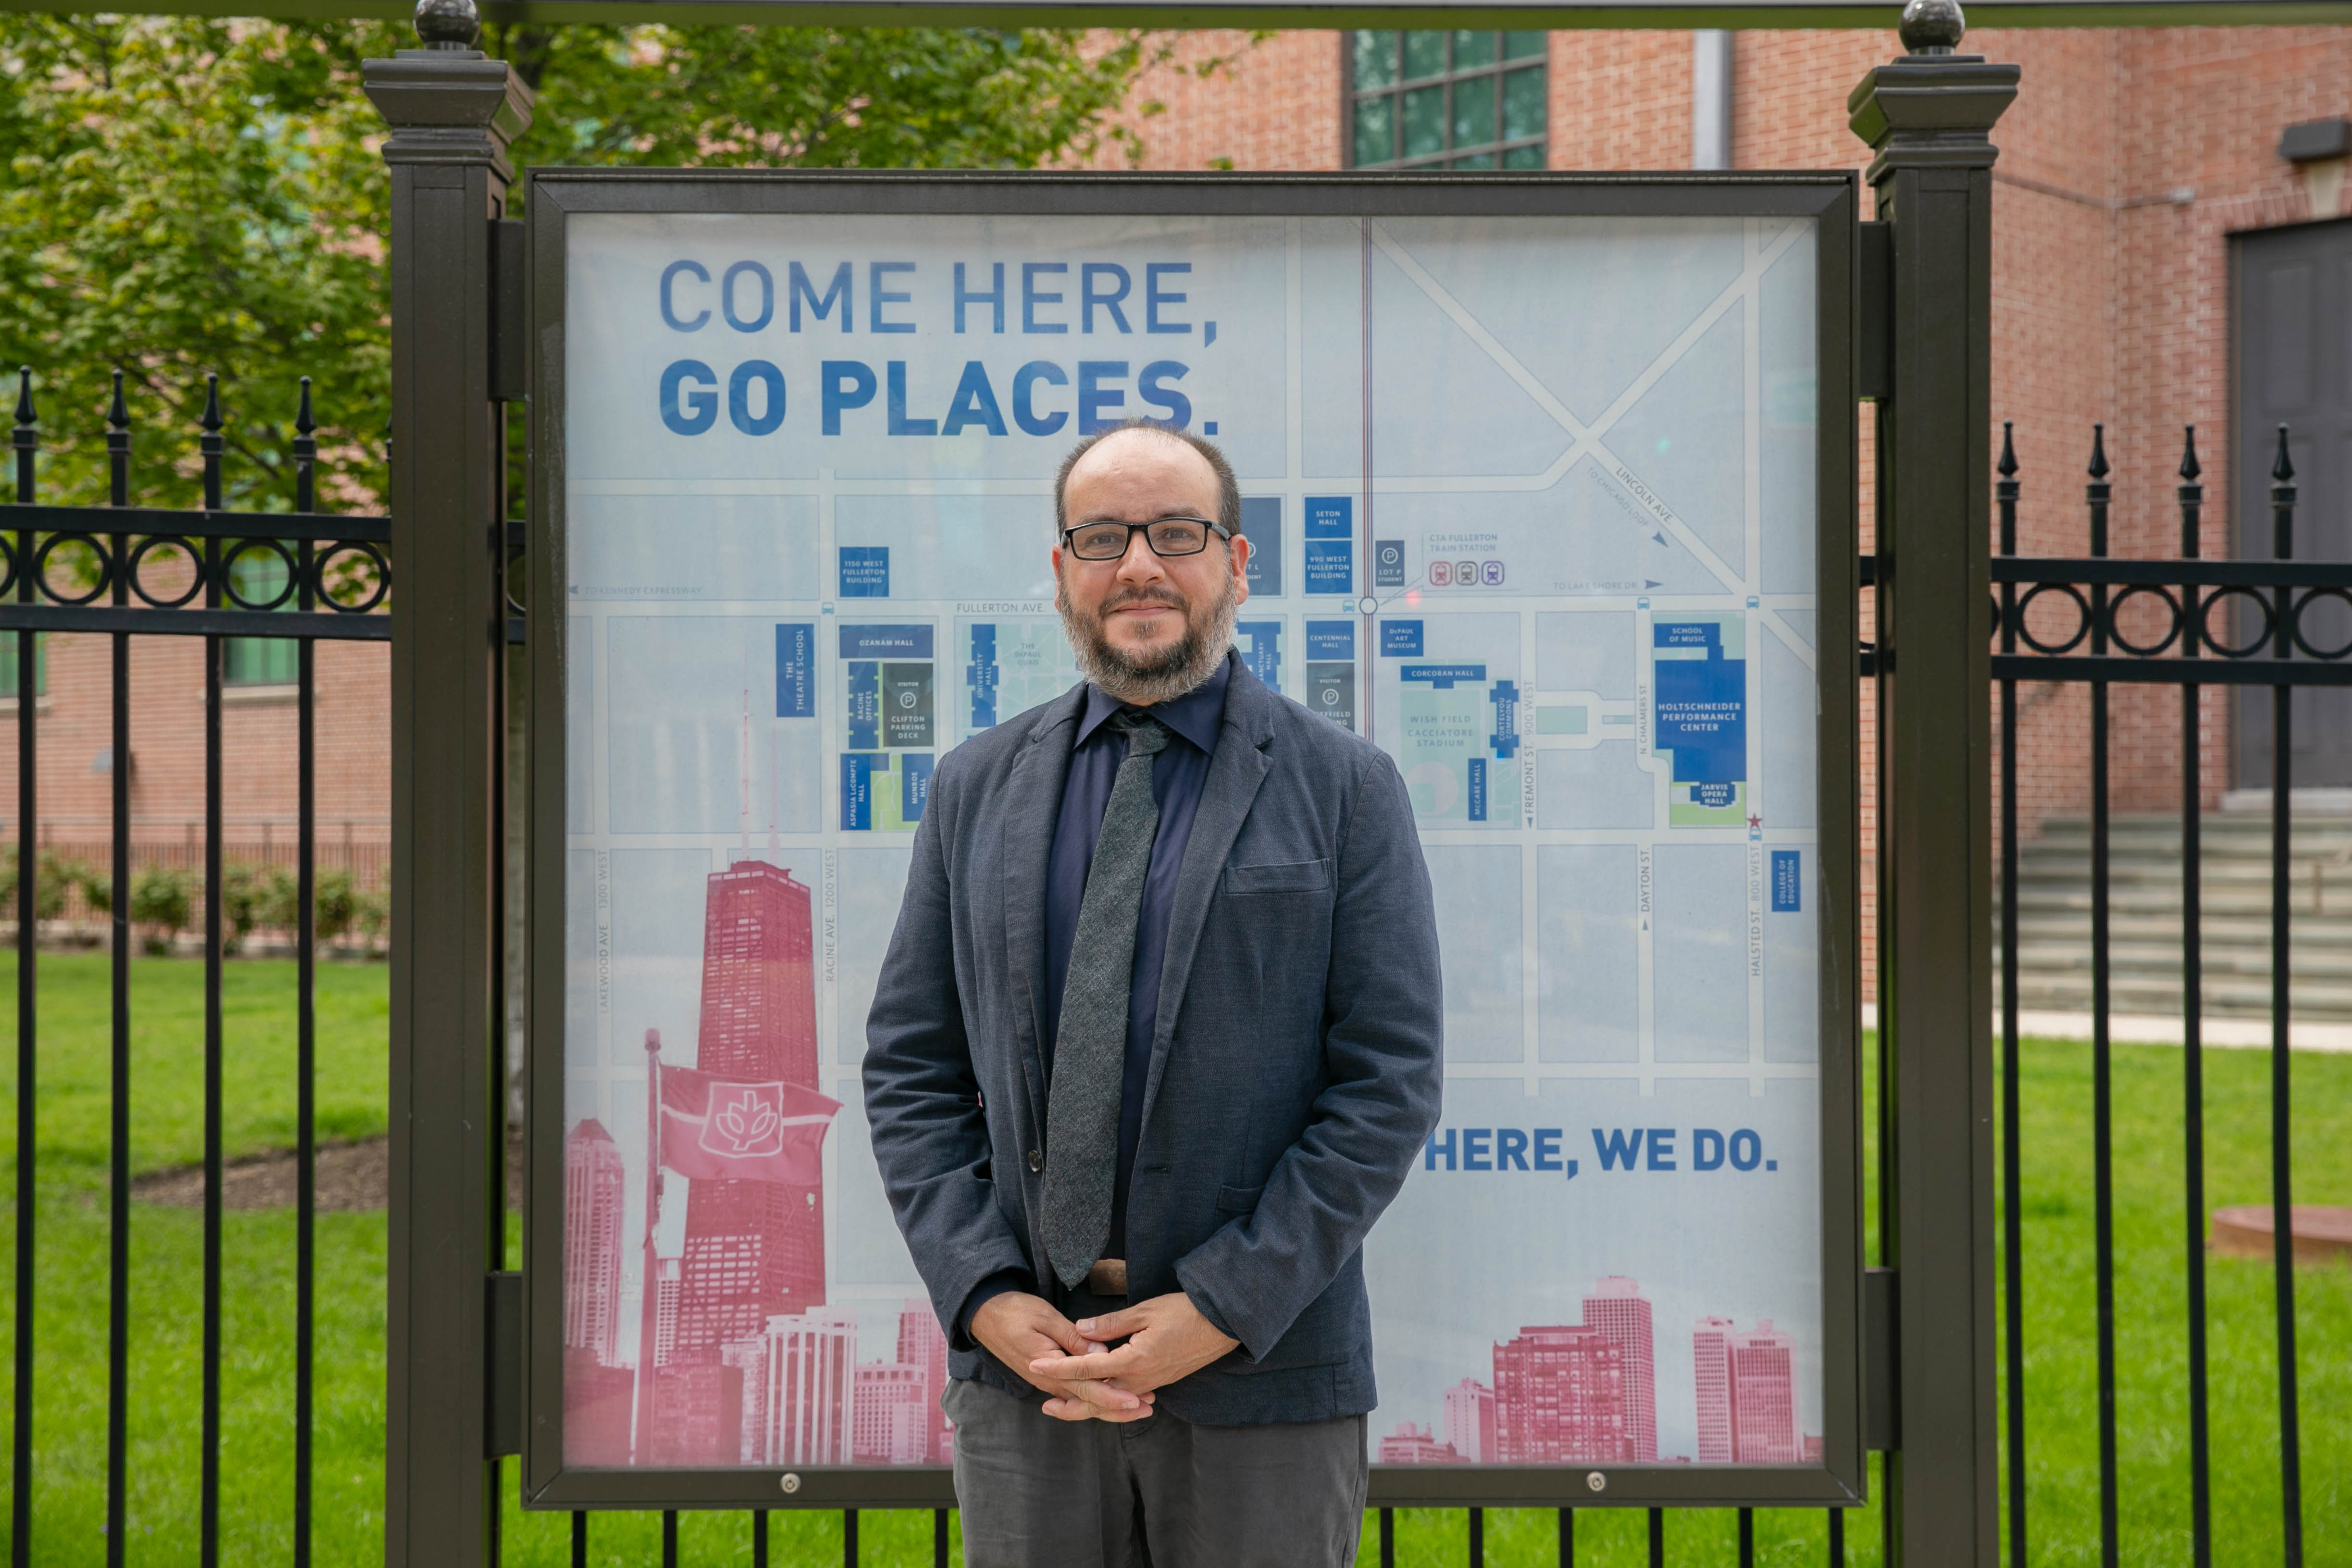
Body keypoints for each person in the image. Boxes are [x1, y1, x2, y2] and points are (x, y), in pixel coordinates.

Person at [863, 419, 1443, 1567]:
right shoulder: (976, 786)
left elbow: (1386, 1085)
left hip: (1262, 1372)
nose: (1138, 564)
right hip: (1029, 1377)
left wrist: (1219, 1306)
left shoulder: (1344, 788)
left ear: (1234, 562)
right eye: (1102, 537)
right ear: (1062, 572)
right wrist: (982, 1295)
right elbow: (911, 1070)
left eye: (1175, 533)